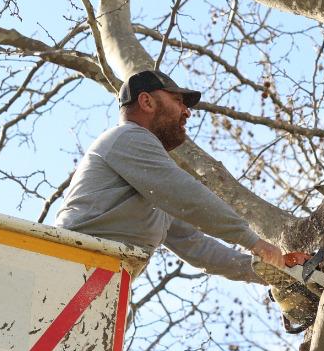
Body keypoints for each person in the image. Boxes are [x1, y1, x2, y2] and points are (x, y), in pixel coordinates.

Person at [56, 69, 305, 282]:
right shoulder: (128, 137)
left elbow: (196, 247)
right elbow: (187, 196)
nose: (186, 112)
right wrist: (254, 242)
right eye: (177, 101)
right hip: (67, 264)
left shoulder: (153, 187)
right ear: (146, 102)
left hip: (97, 277)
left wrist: (272, 270)